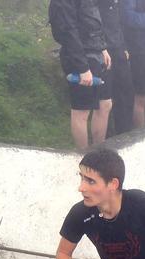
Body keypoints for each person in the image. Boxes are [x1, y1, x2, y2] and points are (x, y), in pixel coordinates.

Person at [50, 0, 114, 149]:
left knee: (105, 104)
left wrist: (102, 48)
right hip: (78, 57)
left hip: (96, 52)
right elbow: (68, 32)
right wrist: (82, 68)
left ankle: (98, 151)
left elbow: (93, 20)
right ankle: (83, 155)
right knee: (82, 111)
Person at [98, 0, 136, 137]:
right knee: (106, 96)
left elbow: (118, 23)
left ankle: (124, 133)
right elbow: (95, 23)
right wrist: (101, 47)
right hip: (103, 50)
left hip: (118, 47)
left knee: (126, 91)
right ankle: (106, 137)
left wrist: (123, 46)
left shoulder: (116, 4)